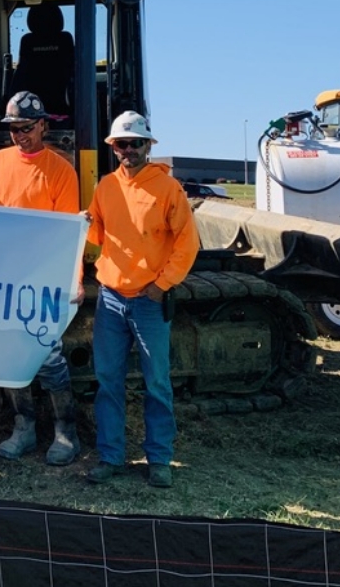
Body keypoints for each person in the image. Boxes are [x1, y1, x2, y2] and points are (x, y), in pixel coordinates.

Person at [84, 110, 199, 488]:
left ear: (148, 145)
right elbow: (99, 235)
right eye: (121, 143)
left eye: (136, 143)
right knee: (108, 381)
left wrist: (162, 284)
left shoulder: (168, 189)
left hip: (150, 301)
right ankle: (111, 456)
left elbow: (187, 242)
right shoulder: (106, 187)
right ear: (113, 148)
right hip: (112, 299)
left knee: (157, 383)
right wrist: (75, 227)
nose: (128, 149)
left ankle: (160, 459)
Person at [0, 90, 83, 466]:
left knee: (49, 357)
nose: (20, 135)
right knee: (10, 357)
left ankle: (66, 431)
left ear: (44, 127)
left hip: (44, 278)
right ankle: (24, 428)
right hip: (3, 279)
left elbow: (68, 233)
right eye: (14, 128)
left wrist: (74, 279)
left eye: (27, 128)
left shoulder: (61, 171)